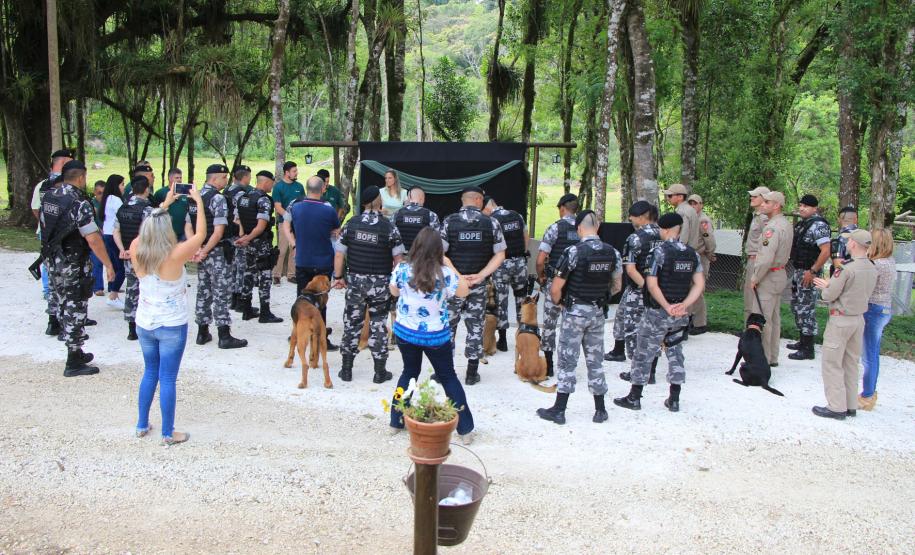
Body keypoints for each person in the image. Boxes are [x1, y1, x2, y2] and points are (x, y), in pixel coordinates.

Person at [131, 185, 208, 446]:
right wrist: (197, 201)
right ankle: (167, 431)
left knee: (149, 372)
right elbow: (200, 234)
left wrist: (163, 205)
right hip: (171, 324)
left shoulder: (136, 248)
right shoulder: (175, 255)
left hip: (145, 321)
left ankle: (142, 423)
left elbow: (149, 225)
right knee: (167, 378)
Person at [388, 227, 475, 444]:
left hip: (405, 332)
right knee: (448, 378)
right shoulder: (444, 274)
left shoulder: (402, 269)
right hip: (436, 336)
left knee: (408, 374)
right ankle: (465, 429)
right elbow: (464, 291)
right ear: (439, 251)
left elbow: (394, 291)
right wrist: (451, 265)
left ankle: (395, 419)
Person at [537, 211, 622, 425]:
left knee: (567, 360)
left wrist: (562, 303)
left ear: (578, 229)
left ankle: (559, 410)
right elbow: (617, 285)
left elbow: (556, 288)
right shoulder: (613, 252)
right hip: (597, 313)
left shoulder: (573, 252)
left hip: (575, 313)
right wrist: (599, 298)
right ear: (598, 226)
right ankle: (600, 410)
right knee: (595, 361)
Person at [613, 212, 704, 413]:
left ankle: (634, 397)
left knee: (643, 351)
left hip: (657, 312)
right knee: (675, 352)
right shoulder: (692, 253)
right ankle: (674, 398)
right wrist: (683, 305)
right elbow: (699, 284)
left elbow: (652, 285)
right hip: (680, 314)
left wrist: (666, 305)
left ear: (663, 229)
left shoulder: (659, 253)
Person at [40, 159, 115, 376]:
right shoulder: (79, 202)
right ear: (81, 177)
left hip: (53, 260)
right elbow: (93, 238)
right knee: (76, 306)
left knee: (64, 302)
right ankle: (73, 360)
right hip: (72, 263)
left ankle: (77, 350)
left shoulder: (49, 196)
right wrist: (108, 264)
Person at [333, 185, 405, 382]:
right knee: (379, 325)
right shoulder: (388, 226)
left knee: (351, 324)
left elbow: (339, 253)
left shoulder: (351, 224)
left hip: (355, 282)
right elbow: (398, 260)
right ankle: (379, 372)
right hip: (381, 284)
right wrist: (396, 284)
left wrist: (338, 277)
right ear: (378, 201)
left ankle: (346, 370)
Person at [441, 186, 506, 385]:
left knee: (448, 328)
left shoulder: (449, 222)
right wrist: (480, 276)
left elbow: (439, 254)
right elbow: (501, 254)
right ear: (479, 200)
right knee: (476, 327)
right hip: (478, 285)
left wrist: (459, 276)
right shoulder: (491, 223)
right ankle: (471, 373)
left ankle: (446, 372)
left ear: (464, 200)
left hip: (454, 285)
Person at [811, 229, 877, 420]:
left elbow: (829, 295)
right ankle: (850, 405)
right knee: (851, 362)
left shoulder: (846, 268)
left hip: (841, 319)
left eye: (849, 241)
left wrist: (826, 286)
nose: (846, 244)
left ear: (854, 244)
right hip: (858, 319)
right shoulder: (871, 267)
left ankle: (836, 407)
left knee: (832, 363)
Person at [187, 164, 247, 349]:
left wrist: (196, 248)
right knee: (221, 291)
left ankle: (202, 332)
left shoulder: (194, 198)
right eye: (223, 178)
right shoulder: (218, 198)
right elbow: (219, 231)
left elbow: (188, 226)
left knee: (203, 291)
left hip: (201, 251)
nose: (225, 181)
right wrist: (205, 250)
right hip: (217, 252)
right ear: (214, 178)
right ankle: (224, 335)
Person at [284, 175, 341, 350]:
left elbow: (286, 226)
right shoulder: (328, 209)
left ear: (306, 189)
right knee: (320, 301)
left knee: (301, 298)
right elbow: (336, 230)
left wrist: (294, 244)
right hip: (323, 260)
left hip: (302, 259)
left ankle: (298, 332)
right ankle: (321, 338)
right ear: (323, 188)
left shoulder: (294, 205)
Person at [610, 202, 662, 385]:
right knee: (654, 330)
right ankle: (652, 371)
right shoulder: (666, 234)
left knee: (633, 330)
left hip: (639, 291)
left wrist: (647, 289)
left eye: (632, 215)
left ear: (642, 216)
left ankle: (638, 373)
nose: (630, 219)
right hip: (659, 292)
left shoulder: (636, 238)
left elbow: (631, 270)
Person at [536, 193, 579, 377]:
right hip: (576, 284)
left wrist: (542, 276)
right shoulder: (584, 228)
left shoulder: (555, 228)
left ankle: (550, 364)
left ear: (562, 208)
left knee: (550, 323)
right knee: (572, 325)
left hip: (555, 283)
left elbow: (540, 260)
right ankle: (567, 365)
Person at [749, 191, 793, 367]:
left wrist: (755, 277)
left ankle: (763, 359)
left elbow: (766, 257)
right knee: (774, 318)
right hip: (779, 273)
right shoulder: (785, 224)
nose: (762, 204)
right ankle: (773, 356)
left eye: (767, 202)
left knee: (762, 319)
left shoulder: (772, 228)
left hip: (768, 275)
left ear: (776, 205)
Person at [234, 170, 283, 323]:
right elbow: (261, 226)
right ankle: (265, 312)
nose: (272, 185)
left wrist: (243, 237)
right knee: (265, 276)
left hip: (248, 242)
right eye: (272, 182)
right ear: (266, 182)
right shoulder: (264, 200)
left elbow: (238, 219)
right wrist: (248, 237)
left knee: (248, 274)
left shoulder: (243, 197)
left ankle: (246, 309)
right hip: (261, 243)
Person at [787, 194, 831, 360]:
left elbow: (825, 251)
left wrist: (812, 271)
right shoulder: (803, 224)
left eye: (806, 206)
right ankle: (802, 341)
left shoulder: (819, 225)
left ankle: (808, 348)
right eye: (801, 205)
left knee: (807, 308)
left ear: (814, 208)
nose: (802, 208)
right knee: (798, 306)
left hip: (809, 272)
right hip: (799, 271)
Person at [483, 196, 529, 352]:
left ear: (487, 207)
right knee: (521, 299)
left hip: (502, 265)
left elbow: (490, 245)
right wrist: (523, 254)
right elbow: (525, 237)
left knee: (500, 301)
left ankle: (502, 340)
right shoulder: (517, 215)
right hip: (520, 263)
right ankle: (523, 336)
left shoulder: (492, 221)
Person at [859, 228, 896, 411]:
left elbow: (865, 285)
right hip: (884, 308)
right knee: (872, 353)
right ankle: (869, 392)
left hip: (873, 308)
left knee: (869, 355)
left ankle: (867, 394)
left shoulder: (876, 264)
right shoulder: (889, 261)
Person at [114, 175, 154, 341]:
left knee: (131, 288)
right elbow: (148, 234)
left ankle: (132, 328)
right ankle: (146, 324)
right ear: (146, 189)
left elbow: (116, 231)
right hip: (143, 256)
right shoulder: (147, 209)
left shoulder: (123, 208)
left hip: (128, 255)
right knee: (147, 289)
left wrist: (123, 250)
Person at [31, 149, 73, 302]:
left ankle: (54, 290)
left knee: (52, 259)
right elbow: (35, 208)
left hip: (50, 229)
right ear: (63, 163)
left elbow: (36, 208)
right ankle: (49, 290)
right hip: (53, 230)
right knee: (49, 258)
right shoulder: (49, 185)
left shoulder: (43, 185)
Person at [225, 165, 253, 315]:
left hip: (228, 231)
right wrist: (243, 231)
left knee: (234, 266)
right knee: (241, 265)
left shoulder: (228, 189)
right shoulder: (241, 193)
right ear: (245, 177)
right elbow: (238, 213)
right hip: (237, 232)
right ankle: (239, 301)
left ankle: (232, 299)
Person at [272, 161, 305, 285]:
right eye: (294, 171)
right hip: (284, 222)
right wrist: (288, 217)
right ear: (287, 173)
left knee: (294, 248)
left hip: (298, 223)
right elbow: (278, 206)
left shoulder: (299, 187)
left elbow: (303, 202)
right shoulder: (278, 187)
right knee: (282, 249)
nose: (296, 173)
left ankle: (292, 274)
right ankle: (276, 274)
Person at [688, 194, 716, 335]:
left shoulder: (702, 220)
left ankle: (700, 323)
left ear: (701, 205)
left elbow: (709, 239)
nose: (693, 206)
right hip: (692, 257)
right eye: (691, 203)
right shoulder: (691, 218)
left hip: (701, 256)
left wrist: (710, 253)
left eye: (696, 203)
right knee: (690, 289)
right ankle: (690, 318)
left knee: (698, 290)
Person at [743, 187, 771, 323]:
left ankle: (752, 329)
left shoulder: (764, 218)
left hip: (756, 260)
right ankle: (748, 328)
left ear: (764, 198)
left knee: (752, 296)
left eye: (755, 196)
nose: (751, 198)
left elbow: (767, 243)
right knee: (749, 296)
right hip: (752, 259)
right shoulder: (757, 215)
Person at [101, 174, 126, 309]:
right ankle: (113, 295)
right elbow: (122, 218)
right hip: (114, 234)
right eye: (122, 184)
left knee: (114, 264)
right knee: (121, 268)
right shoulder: (116, 200)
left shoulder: (107, 198)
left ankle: (112, 289)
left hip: (107, 233)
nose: (123, 188)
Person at [393, 186, 441, 251]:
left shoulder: (397, 213)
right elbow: (436, 240)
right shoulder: (431, 215)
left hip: (401, 256)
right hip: (422, 258)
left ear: (409, 198)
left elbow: (390, 236)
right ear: (422, 199)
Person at [152, 168, 188, 241]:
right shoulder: (160, 193)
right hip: (167, 231)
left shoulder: (185, 192)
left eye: (180, 177)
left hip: (183, 231)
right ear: (170, 178)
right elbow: (155, 211)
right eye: (177, 178)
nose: (179, 180)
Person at [662, 183, 699, 249]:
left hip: (684, 252)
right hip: (690, 251)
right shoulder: (689, 209)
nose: (667, 198)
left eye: (670, 196)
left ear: (680, 197)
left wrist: (678, 252)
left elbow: (683, 237)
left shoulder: (682, 212)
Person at [89, 180, 106, 296]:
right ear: (95, 192)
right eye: (99, 193)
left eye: (104, 193)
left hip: (108, 235)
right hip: (96, 236)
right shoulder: (90, 204)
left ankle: (114, 285)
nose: (101, 196)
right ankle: (97, 287)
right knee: (97, 261)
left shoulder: (108, 203)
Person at [831, 205, 858, 270]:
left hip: (848, 277)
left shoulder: (839, 240)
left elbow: (839, 267)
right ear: (856, 220)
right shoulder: (866, 237)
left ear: (839, 220)